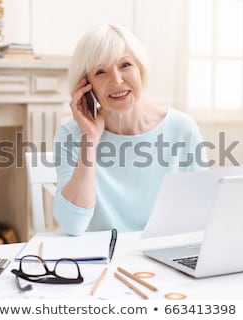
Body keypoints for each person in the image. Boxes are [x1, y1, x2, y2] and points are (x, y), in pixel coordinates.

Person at [53, 24, 207, 236]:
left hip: (161, 255)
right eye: (100, 72)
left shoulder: (182, 128)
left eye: (125, 65)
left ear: (141, 70)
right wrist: (89, 139)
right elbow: (73, 225)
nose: (116, 80)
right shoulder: (71, 135)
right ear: (85, 85)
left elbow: (203, 212)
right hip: (102, 261)